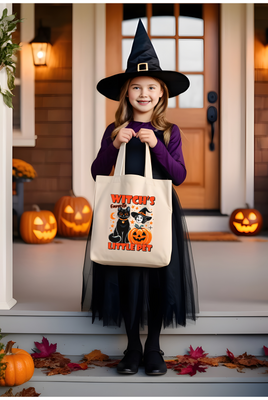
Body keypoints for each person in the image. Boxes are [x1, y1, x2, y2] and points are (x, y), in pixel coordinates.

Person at [82, 20, 198, 376]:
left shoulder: (169, 131)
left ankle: (154, 347)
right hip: (122, 214)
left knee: (159, 279)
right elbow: (98, 173)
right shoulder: (115, 131)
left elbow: (178, 175)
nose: (144, 94)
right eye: (136, 87)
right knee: (128, 279)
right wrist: (116, 143)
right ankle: (132, 345)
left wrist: (158, 147)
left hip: (158, 213)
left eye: (151, 87)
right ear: (126, 94)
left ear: (162, 93)